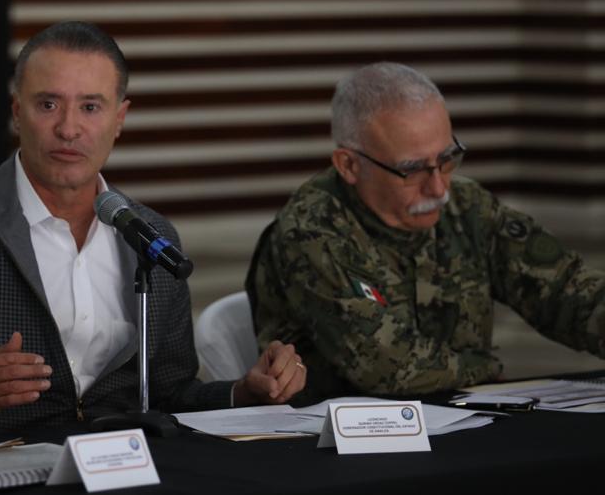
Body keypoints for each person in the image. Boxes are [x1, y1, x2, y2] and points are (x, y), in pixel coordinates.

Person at [0, 21, 306, 436]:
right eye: (48, 105)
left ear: (119, 119)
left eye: (90, 107)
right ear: (16, 112)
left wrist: (243, 392)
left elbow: (170, 394)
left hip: (128, 460)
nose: (69, 129)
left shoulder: (151, 237)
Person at [246, 62, 605, 400]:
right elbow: (386, 366)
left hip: (467, 419)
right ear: (349, 165)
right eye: (412, 169)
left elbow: (564, 289)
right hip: (346, 435)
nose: (438, 188)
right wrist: (485, 369)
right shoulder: (312, 230)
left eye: (447, 159)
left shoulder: (467, 206)